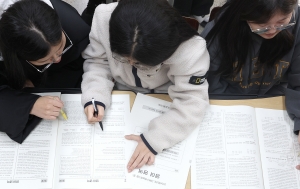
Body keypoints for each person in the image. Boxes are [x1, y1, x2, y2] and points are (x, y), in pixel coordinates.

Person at [81, 0, 209, 172]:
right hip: (121, 92)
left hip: (165, 96)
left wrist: (156, 138)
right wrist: (95, 95)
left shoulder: (190, 49)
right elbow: (98, 61)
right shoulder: (103, 18)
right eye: (124, 58)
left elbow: (193, 99)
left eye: (142, 63)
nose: (131, 64)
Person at [201, 0, 300, 168]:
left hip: (275, 102)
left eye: (282, 22)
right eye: (262, 25)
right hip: (228, 101)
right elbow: (208, 81)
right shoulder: (221, 31)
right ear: (244, 14)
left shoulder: (296, 24)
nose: (273, 31)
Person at [0, 0, 91, 143]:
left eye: (61, 47)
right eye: (45, 59)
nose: (57, 59)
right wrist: (30, 104)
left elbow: (77, 64)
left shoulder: (72, 25)